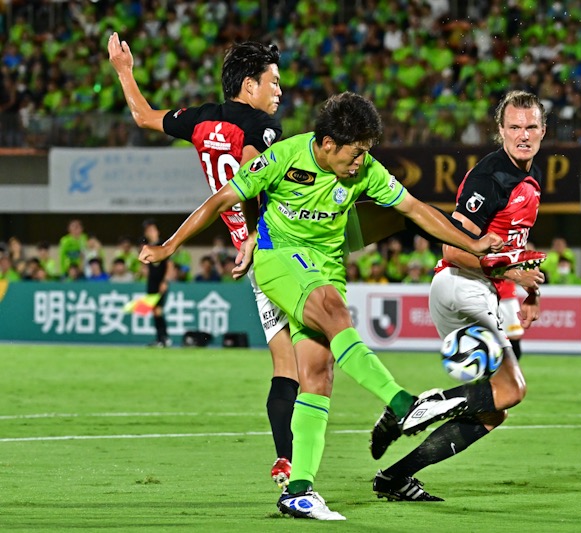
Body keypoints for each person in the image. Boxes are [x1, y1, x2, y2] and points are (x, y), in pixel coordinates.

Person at [138, 91, 505, 520]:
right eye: (355, 152)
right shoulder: (283, 157)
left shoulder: (363, 168)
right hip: (279, 260)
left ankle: (298, 489)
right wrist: (169, 247)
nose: (360, 161)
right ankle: (404, 403)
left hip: (328, 267)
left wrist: (475, 244)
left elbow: (415, 210)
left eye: (366, 152)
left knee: (317, 375)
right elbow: (221, 199)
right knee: (333, 312)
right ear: (327, 142)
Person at [108, 33, 298, 488]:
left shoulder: (198, 120)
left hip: (255, 263)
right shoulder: (260, 126)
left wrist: (123, 70)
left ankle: (286, 461)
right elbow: (251, 176)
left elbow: (141, 116)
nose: (279, 92)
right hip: (282, 247)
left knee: (286, 364)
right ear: (249, 86)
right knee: (316, 363)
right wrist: (254, 234)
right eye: (273, 82)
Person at [371, 90, 547, 501]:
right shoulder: (490, 177)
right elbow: (453, 248)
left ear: (543, 130)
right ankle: (417, 406)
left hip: (466, 289)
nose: (523, 135)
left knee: (493, 410)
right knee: (513, 390)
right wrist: (509, 271)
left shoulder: (527, 178)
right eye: (515, 127)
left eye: (531, 126)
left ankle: (394, 478)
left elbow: (514, 244)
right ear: (500, 130)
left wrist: (531, 288)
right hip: (462, 285)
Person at [142, 219, 175, 347]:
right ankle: (160, 338)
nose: (150, 233)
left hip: (160, 283)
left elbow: (170, 264)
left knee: (158, 311)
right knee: (154, 310)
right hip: (151, 284)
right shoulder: (147, 247)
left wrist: (165, 281)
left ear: (157, 231)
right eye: (148, 231)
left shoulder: (162, 246)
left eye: (152, 229)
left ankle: (164, 338)